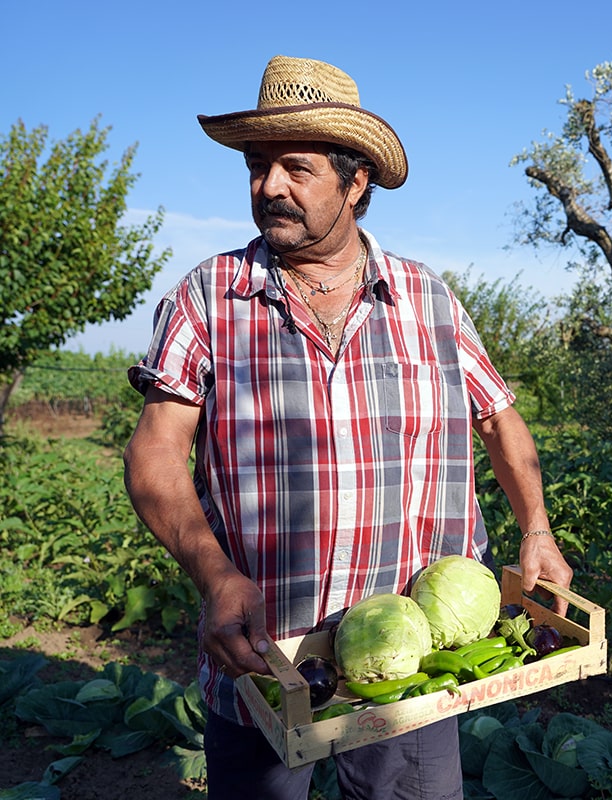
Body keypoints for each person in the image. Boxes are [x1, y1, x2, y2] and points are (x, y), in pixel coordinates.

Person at [122, 55, 574, 800]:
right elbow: (155, 451)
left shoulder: (428, 299)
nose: (269, 187)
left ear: (355, 180)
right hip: (262, 657)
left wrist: (536, 530)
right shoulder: (212, 296)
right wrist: (214, 574)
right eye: (258, 166)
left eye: (296, 168)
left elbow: (498, 418)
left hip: (413, 658)